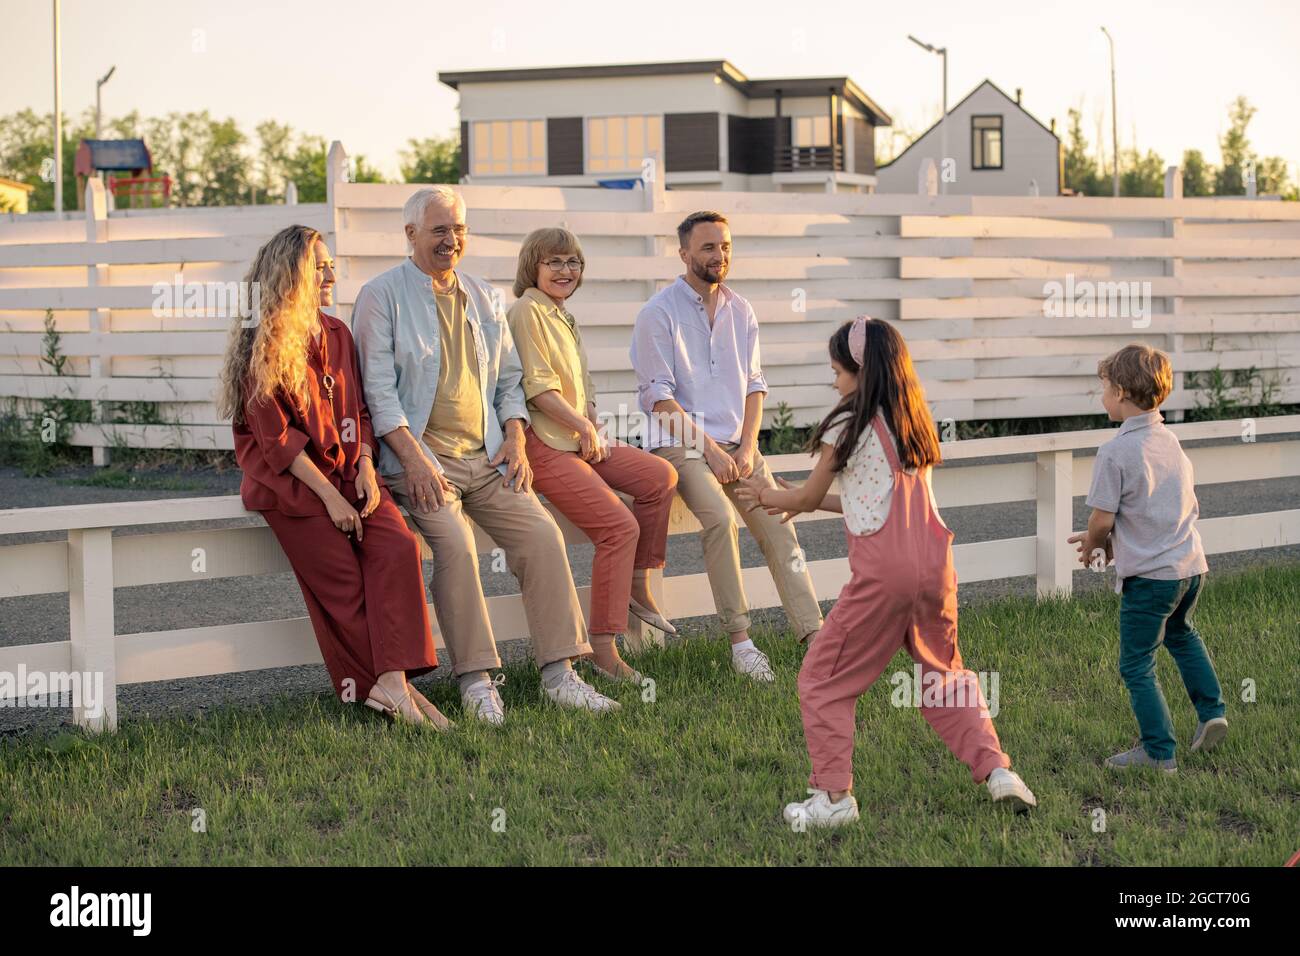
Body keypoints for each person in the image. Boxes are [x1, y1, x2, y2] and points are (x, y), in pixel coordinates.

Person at [736, 317, 1036, 827]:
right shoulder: (913, 421)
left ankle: (833, 800)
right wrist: (799, 501)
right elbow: (872, 500)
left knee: (822, 680)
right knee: (945, 677)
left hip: (884, 576)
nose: (834, 381)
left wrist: (770, 497)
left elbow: (806, 496)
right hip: (934, 571)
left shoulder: (847, 423)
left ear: (861, 369)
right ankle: (998, 772)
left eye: (837, 370)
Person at [353, 186, 620, 721]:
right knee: (456, 548)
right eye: (438, 230)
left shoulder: (485, 296)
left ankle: (560, 673)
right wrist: (414, 459)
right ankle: (476, 680)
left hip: (489, 457)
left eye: (458, 229)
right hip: (421, 460)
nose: (451, 239)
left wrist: (517, 436)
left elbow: (509, 382)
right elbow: (378, 392)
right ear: (411, 235)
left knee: (542, 536)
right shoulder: (381, 296)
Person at [218, 225, 445, 729]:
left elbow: (360, 410)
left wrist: (364, 463)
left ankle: (391, 683)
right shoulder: (265, 343)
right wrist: (330, 500)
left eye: (329, 264)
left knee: (396, 548)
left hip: (348, 470)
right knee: (344, 582)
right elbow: (278, 439)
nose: (330, 274)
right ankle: (389, 690)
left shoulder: (337, 334)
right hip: (292, 483)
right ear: (289, 275)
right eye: (318, 267)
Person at [630, 210, 823, 683]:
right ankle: (741, 642)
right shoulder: (659, 312)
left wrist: (747, 447)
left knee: (779, 523)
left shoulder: (742, 310)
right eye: (709, 247)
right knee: (719, 518)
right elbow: (658, 397)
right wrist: (712, 452)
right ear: (685, 254)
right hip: (681, 444)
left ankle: (815, 637)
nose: (720, 255)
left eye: (726, 246)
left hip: (739, 444)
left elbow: (755, 384)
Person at [507, 228, 678, 683]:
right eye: (554, 262)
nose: (565, 271)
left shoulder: (563, 314)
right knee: (618, 527)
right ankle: (603, 650)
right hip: (546, 445)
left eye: (573, 263)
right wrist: (583, 426)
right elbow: (538, 389)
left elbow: (581, 384)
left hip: (580, 439)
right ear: (533, 266)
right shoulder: (527, 310)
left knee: (660, 477)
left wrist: (593, 421)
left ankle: (638, 582)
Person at [1068, 344, 1227, 772]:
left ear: (1120, 392)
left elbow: (1103, 519)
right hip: (1190, 569)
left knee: (1136, 663)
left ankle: (1158, 752)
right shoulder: (1170, 442)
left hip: (1152, 580)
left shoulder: (1115, 452)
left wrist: (1095, 543)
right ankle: (1212, 711)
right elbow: (1158, 511)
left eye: (1102, 388)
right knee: (1181, 633)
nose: (1101, 396)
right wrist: (1106, 538)